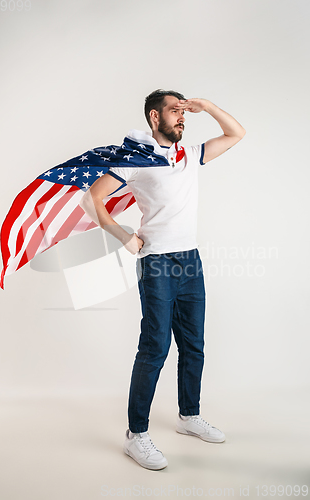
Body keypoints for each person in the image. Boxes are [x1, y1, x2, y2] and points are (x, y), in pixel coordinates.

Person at [79, 89, 246, 470]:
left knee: (194, 345)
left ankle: (189, 416)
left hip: (191, 260)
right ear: (155, 117)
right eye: (175, 111)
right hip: (156, 262)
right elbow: (91, 200)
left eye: (184, 111)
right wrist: (125, 237)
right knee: (154, 348)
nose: (182, 117)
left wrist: (209, 107)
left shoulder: (189, 156)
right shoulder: (137, 160)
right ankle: (136, 435)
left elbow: (236, 133)